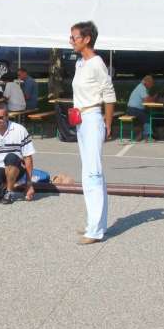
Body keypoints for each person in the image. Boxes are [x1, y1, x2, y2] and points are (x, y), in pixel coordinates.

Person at [71, 20, 116, 245]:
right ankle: (94, 223)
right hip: (81, 119)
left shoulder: (97, 63)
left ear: (86, 39)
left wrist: (107, 124)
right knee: (88, 173)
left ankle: (96, 230)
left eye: (74, 37)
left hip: (92, 118)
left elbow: (109, 94)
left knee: (93, 174)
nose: (71, 41)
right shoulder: (80, 63)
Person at [127, 75, 157, 140]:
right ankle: (148, 136)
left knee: (146, 115)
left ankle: (141, 135)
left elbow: (147, 100)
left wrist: (151, 98)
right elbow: (147, 100)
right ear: (147, 82)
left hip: (133, 109)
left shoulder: (142, 87)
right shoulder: (142, 88)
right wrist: (154, 98)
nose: (151, 86)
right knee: (147, 118)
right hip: (133, 109)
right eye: (151, 84)